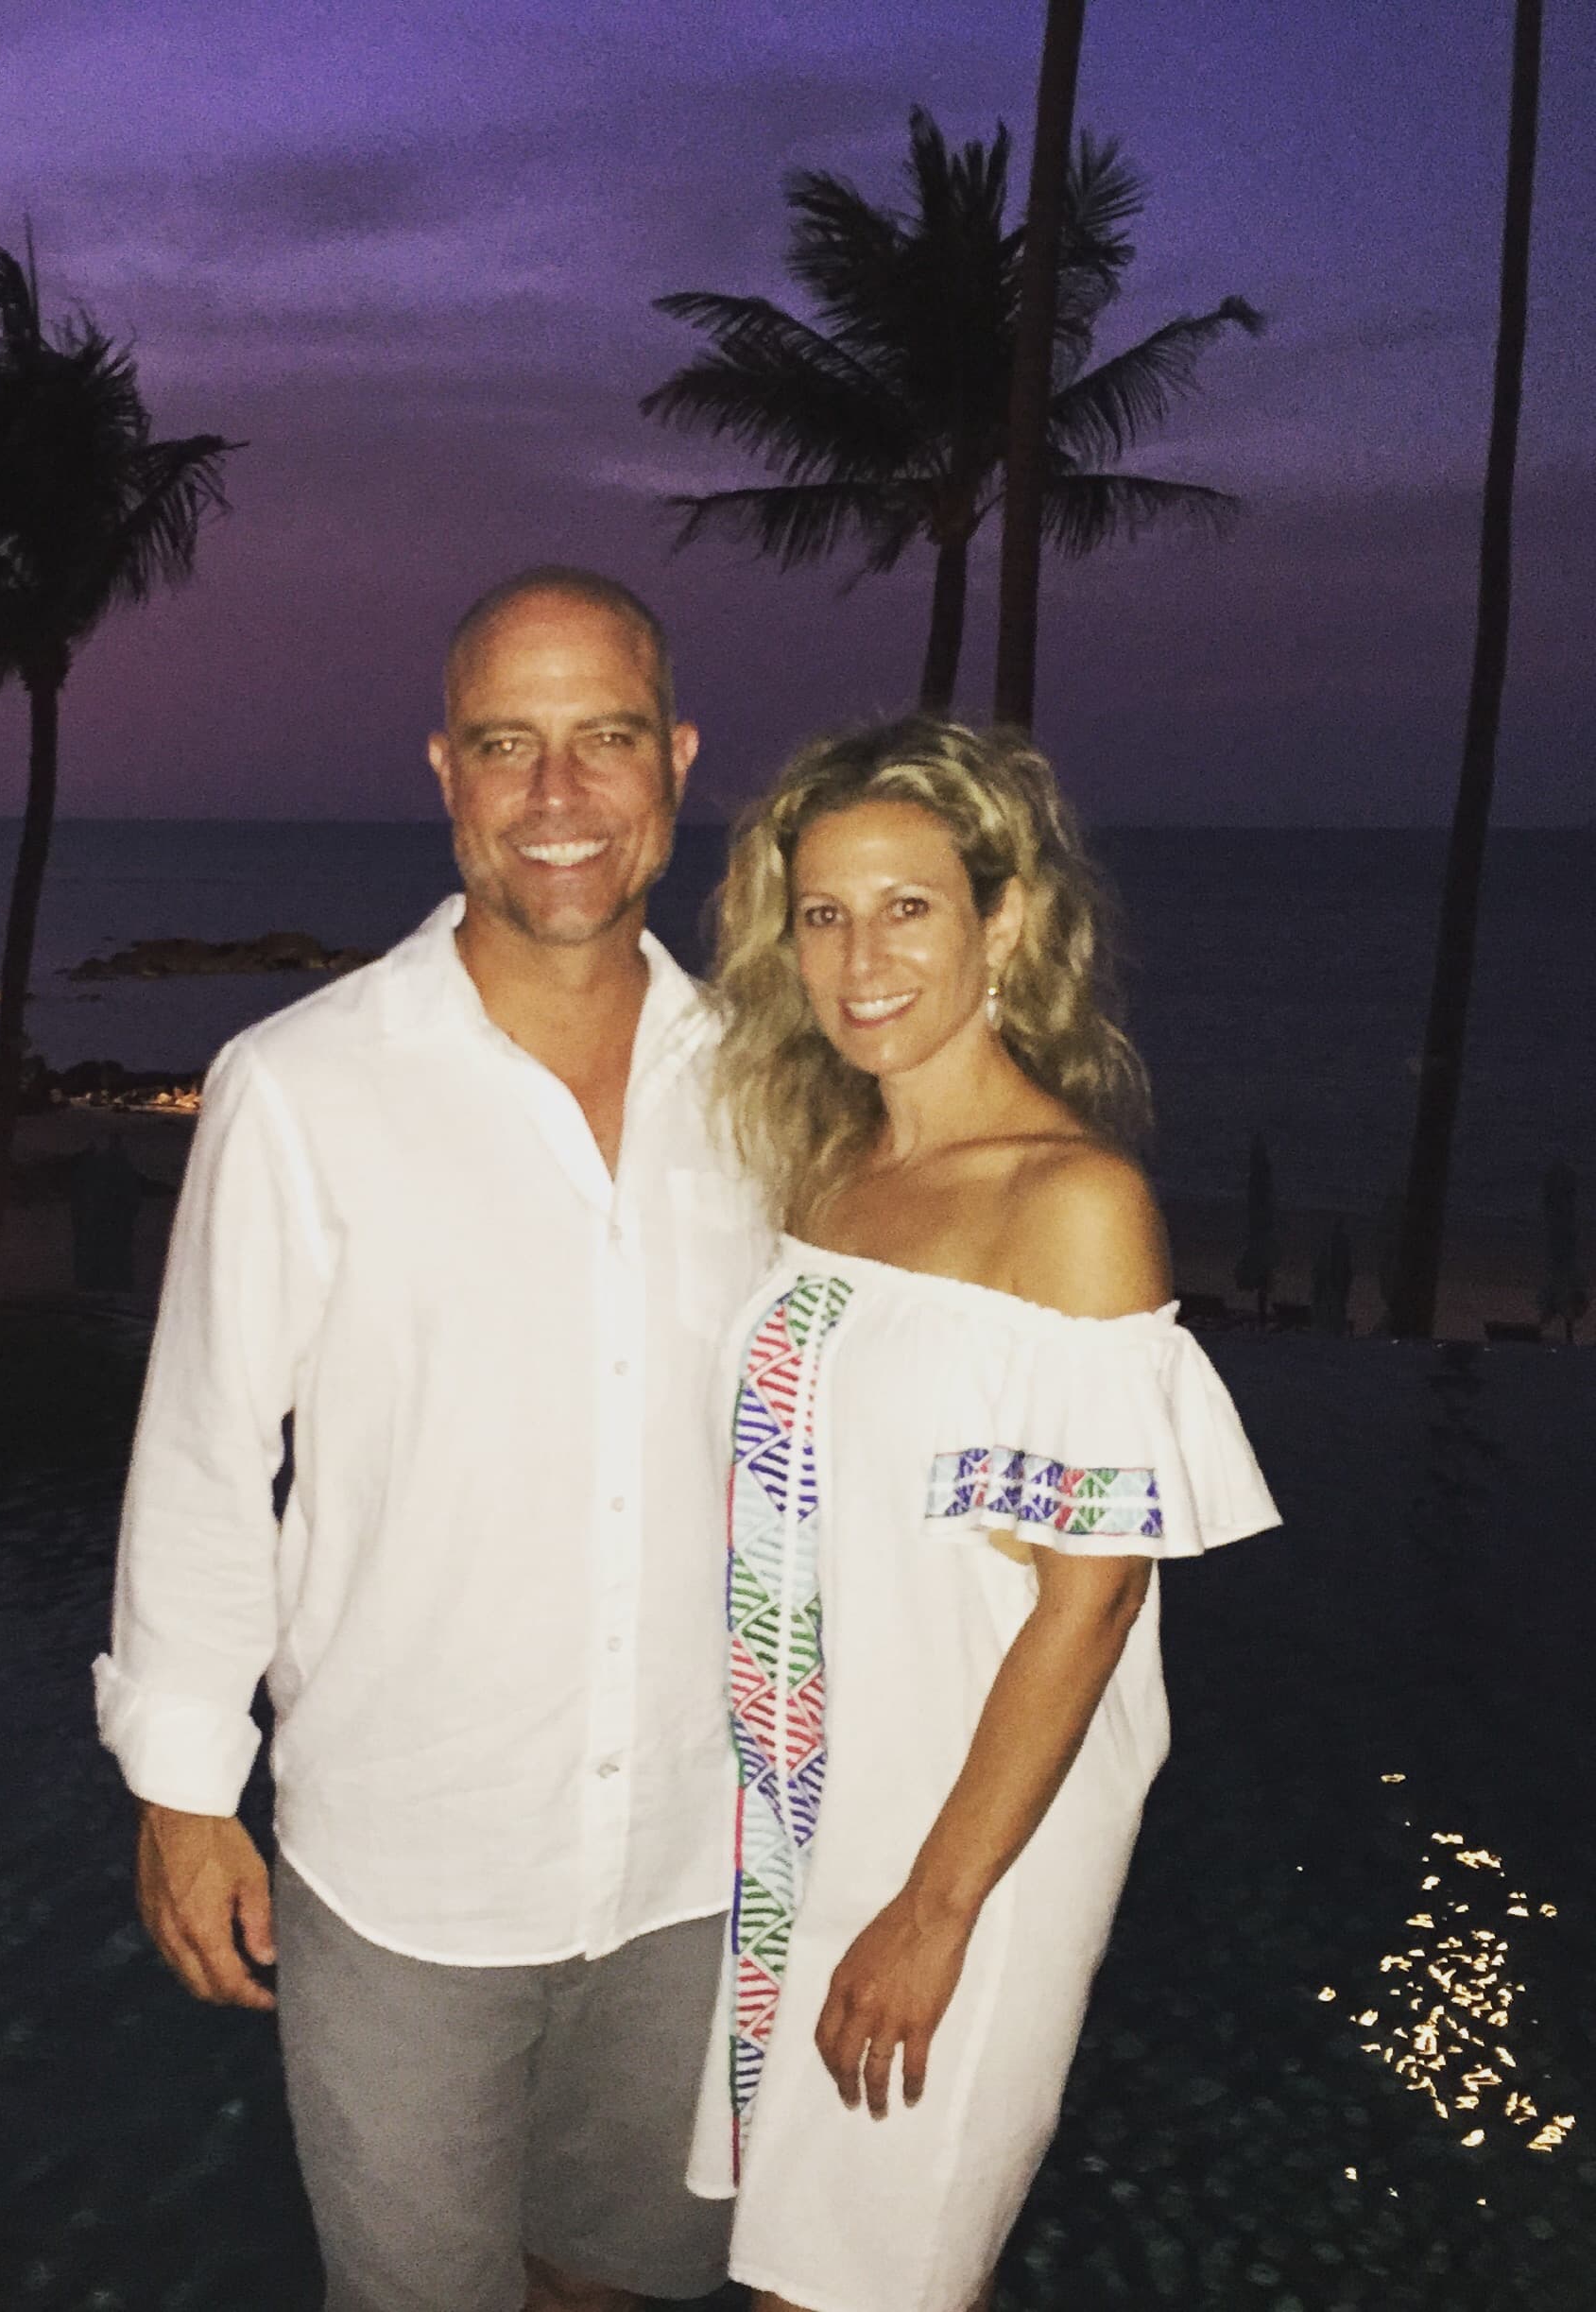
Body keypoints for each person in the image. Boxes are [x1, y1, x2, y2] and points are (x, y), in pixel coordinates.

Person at [95, 568, 773, 2312]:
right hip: (404, 1858)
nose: (558, 797)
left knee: (619, 2279)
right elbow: (201, 1445)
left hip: (700, 1849)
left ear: (676, 761)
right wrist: (183, 1786)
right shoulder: (301, 1084)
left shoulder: (778, 1086)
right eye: (507, 744)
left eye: (603, 737)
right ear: (445, 773)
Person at [690, 717, 1279, 2312]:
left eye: (908, 906)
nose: (857, 955)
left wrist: (934, 1907)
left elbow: (1088, 1602)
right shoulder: (830, 1174)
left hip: (965, 1850)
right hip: (808, 1827)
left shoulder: (1071, 1206)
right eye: (821, 912)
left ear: (1002, 921)